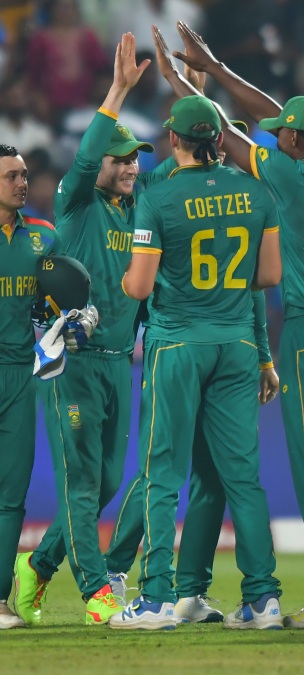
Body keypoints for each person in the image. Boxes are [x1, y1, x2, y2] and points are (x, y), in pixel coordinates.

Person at [166, 21, 304, 627]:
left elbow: (224, 132)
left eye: (282, 129)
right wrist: (218, 68)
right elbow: (273, 118)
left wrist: (184, 80)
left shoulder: (288, 176)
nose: (275, 129)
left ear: (289, 140)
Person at [109, 94, 283, 630]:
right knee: (242, 478)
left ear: (173, 140)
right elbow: (268, 277)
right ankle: (262, 599)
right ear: (220, 140)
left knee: (163, 472)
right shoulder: (258, 192)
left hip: (178, 345)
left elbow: (139, 286)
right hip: (237, 346)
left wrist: (128, 277)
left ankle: (156, 598)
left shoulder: (157, 198)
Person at [12, 33, 152, 628]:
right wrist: (117, 91)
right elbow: (90, 153)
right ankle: (97, 593)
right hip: (70, 361)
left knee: (107, 481)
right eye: (121, 159)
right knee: (81, 481)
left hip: (120, 361)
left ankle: (37, 566)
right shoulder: (77, 202)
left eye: (135, 158)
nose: (130, 166)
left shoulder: (138, 210)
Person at [0, 144, 58, 629]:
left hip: (21, 375)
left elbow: (61, 302)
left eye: (23, 175)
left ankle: (0, 600)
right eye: (11, 176)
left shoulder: (44, 238)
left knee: (10, 494)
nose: (22, 183)